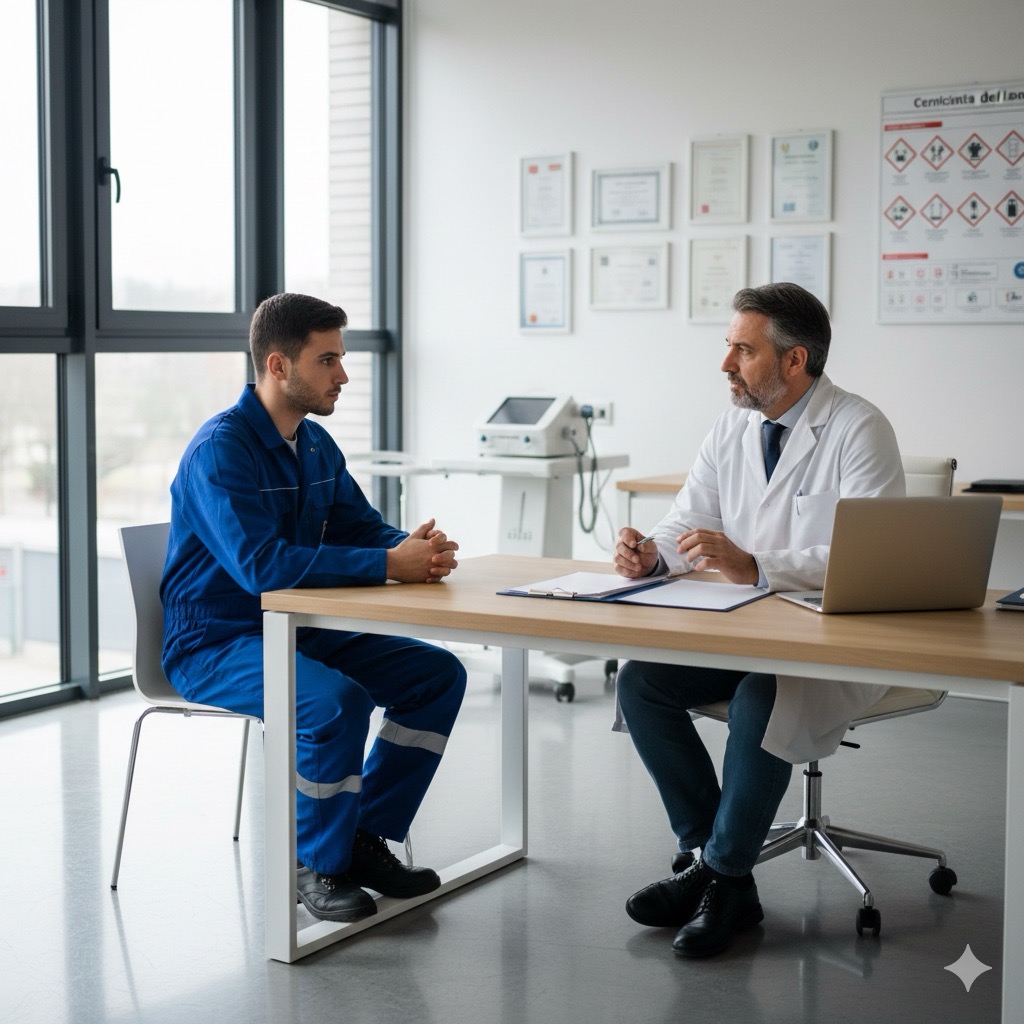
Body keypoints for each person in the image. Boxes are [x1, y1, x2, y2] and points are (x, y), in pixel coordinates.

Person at [613, 282, 904, 958]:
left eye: (742, 351)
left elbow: (876, 557)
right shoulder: (733, 425)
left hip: (831, 641)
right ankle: (709, 860)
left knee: (763, 694)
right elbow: (691, 517)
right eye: (729, 348)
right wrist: (651, 554)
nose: (726, 365)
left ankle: (720, 876)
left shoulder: (860, 429)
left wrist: (758, 563)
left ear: (794, 360)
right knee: (642, 683)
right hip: (745, 627)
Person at [161, 292, 467, 923]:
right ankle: (315, 863)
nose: (344, 374)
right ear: (278, 365)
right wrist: (388, 566)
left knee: (437, 676)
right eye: (328, 360)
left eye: (342, 358)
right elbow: (261, 567)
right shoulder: (221, 450)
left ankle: (361, 839)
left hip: (296, 629)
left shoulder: (315, 445)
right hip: (214, 642)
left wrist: (412, 548)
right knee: (333, 702)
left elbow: (360, 528)